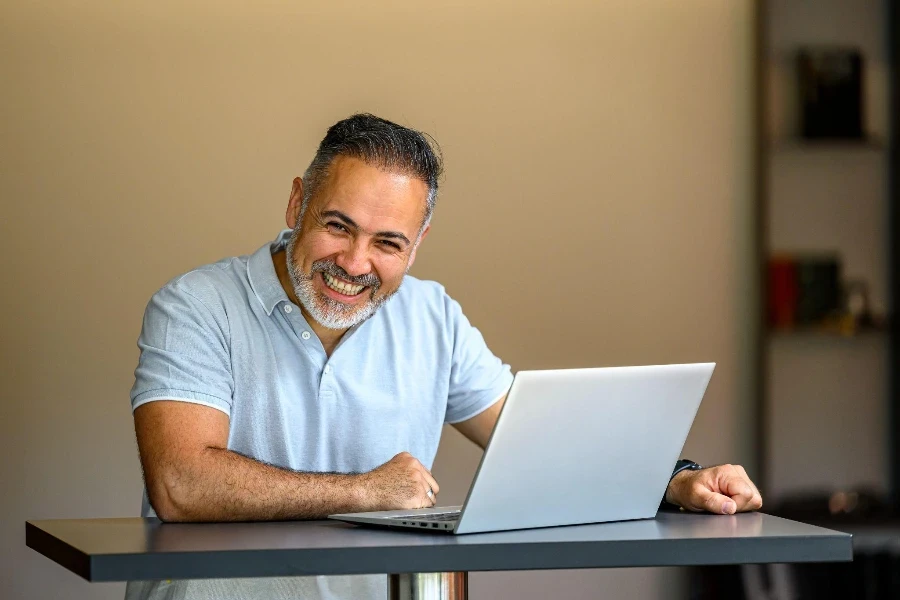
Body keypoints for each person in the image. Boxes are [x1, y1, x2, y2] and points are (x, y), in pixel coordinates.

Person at [125, 113, 763, 600]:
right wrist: (365, 491)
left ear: (419, 242)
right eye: (338, 226)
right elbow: (182, 484)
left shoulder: (433, 317)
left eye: (387, 242)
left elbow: (544, 443)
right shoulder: (196, 306)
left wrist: (678, 482)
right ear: (297, 203)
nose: (353, 263)